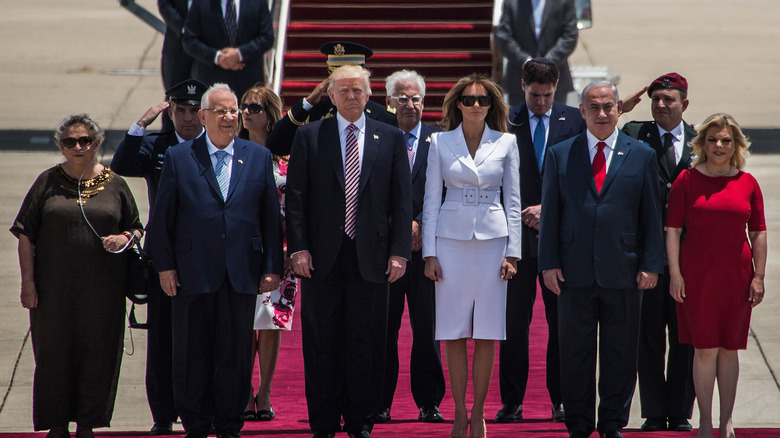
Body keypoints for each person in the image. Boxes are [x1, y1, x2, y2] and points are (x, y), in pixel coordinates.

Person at [148, 83, 283, 438]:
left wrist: (272, 267)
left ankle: (228, 422)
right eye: (220, 111)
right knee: (192, 352)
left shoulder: (256, 157)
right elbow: (163, 219)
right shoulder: (181, 157)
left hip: (241, 273)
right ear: (204, 117)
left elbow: (270, 217)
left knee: (235, 353)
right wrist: (165, 266)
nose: (228, 117)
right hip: (192, 274)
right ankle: (195, 422)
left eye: (233, 111)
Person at [286, 65, 412, 438]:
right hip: (321, 258)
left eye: (358, 90)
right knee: (322, 343)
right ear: (332, 96)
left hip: (372, 258)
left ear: (370, 93)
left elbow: (402, 202)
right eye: (344, 91)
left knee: (366, 343)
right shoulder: (310, 136)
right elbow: (296, 200)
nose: (352, 97)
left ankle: (361, 421)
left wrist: (399, 252)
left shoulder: (389, 138)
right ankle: (323, 423)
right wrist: (299, 249)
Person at [538, 81, 664, 438]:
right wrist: (548, 263)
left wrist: (651, 264)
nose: (603, 113)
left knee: (620, 355)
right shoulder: (561, 154)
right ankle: (578, 423)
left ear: (619, 108)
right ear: (582, 112)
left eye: (609, 106)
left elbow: (650, 216)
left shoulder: (640, 154)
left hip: (624, 270)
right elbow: (550, 216)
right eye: (594, 107)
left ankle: (611, 423)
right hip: (573, 271)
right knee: (574, 355)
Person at [12, 114, 143, 438]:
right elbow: (26, 233)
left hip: (103, 292)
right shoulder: (47, 182)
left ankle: (87, 423)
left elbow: (137, 227)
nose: (79, 147)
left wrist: (124, 238)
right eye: (70, 141)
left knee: (97, 354)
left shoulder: (116, 184)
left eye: (86, 140)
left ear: (97, 143)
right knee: (54, 357)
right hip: (53, 293)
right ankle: (57, 424)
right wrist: (28, 284)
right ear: (61, 145)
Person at [422, 74, 522, 438]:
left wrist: (514, 252)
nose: (476, 105)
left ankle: (479, 412)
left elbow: (513, 201)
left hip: (494, 241)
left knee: (487, 332)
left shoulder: (507, 142)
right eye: (468, 99)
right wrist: (429, 254)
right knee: (452, 331)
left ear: (491, 105)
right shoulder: (438, 142)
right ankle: (459, 412)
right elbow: (431, 199)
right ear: (457, 104)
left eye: (482, 100)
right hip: (450, 241)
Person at [110, 77, 207, 436]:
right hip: (165, 255)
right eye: (180, 110)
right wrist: (142, 123)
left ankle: (201, 410)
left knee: (203, 338)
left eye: (195, 110)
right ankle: (163, 414)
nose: (188, 118)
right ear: (171, 111)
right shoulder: (158, 145)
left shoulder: (218, 145)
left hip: (207, 256)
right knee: (164, 339)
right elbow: (121, 164)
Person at [666, 113, 767, 438]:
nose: (719, 146)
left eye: (726, 140)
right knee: (704, 348)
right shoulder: (687, 180)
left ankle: (726, 422)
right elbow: (672, 231)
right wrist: (675, 274)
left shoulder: (748, 183)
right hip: (697, 276)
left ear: (735, 144)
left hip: (737, 277)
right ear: (702, 144)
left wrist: (759, 276)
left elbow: (759, 232)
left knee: (729, 348)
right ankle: (705, 422)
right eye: (712, 140)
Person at [497, 57, 584, 424]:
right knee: (513, 324)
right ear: (523, 86)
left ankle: (561, 400)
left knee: (560, 324)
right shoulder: (504, 119)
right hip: (514, 241)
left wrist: (546, 208)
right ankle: (512, 402)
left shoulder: (575, 120)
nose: (543, 102)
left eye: (548, 95)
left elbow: (580, 177)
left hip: (558, 239)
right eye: (535, 95)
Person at [621, 73, 696, 433]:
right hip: (648, 256)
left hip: (689, 259)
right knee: (648, 337)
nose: (661, 105)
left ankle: (680, 411)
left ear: (684, 104)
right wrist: (618, 111)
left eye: (668, 99)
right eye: (656, 100)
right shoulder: (635, 134)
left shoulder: (702, 139)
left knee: (685, 337)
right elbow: (590, 137)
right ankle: (653, 410)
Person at [375, 70, 445, 425]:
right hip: (387, 251)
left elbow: (448, 191)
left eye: (415, 98)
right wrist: (399, 227)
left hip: (427, 251)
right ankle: (379, 402)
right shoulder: (379, 138)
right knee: (384, 329)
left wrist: (420, 223)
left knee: (428, 328)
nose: (409, 104)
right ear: (389, 102)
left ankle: (429, 401)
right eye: (401, 98)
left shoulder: (441, 140)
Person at [235, 84, 297, 422]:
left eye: (255, 107)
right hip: (243, 252)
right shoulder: (234, 151)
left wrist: (291, 248)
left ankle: (266, 392)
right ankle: (244, 392)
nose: (247, 111)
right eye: (244, 105)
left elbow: (298, 205)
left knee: (270, 323)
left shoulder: (288, 156)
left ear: (270, 114)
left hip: (282, 253)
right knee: (244, 324)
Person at [265, 41, 397, 156]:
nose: (350, 95)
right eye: (339, 80)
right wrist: (308, 103)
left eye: (354, 85)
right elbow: (276, 145)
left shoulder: (383, 117)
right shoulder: (316, 113)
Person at [182, 0, 274, 101]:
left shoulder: (257, 2)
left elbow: (267, 38)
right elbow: (189, 40)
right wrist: (217, 57)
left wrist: (239, 54)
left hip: (249, 82)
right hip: (212, 82)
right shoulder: (201, 3)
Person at [495, 0, 578, 105]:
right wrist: (525, 61)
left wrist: (548, 62)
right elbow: (504, 37)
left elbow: (570, 36)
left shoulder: (564, 2)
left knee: (554, 121)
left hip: (555, 82)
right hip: (519, 81)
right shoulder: (512, 2)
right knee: (520, 121)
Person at [157, 0, 194, 132]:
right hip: (177, 45)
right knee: (173, 96)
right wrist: (184, 29)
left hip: (208, 46)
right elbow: (165, 5)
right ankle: (167, 141)